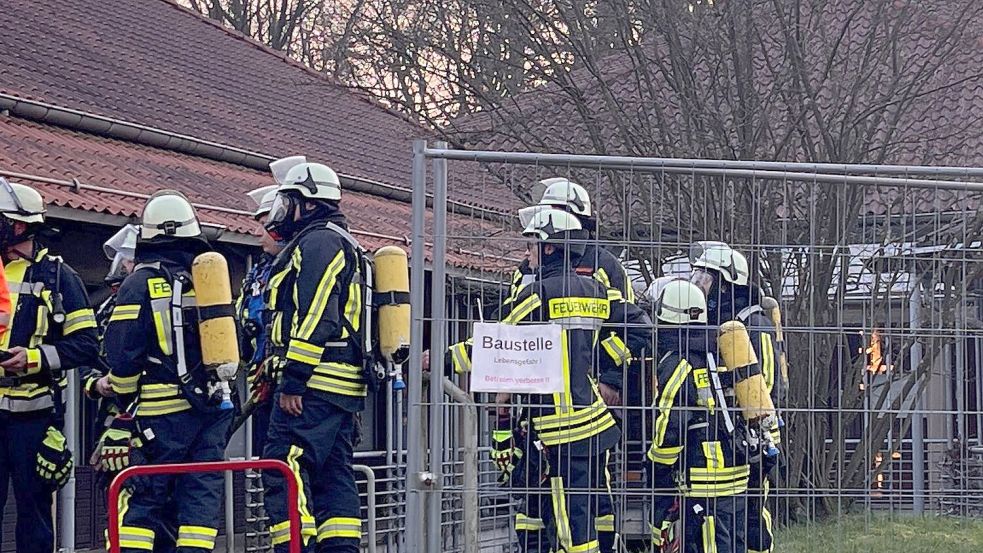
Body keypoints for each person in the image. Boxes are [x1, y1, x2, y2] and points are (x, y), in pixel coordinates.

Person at [449, 208, 650, 553]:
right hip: (591, 425)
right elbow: (642, 329)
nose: (527, 255)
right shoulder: (596, 291)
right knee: (583, 514)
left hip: (558, 430)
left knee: (566, 521)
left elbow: (491, 344)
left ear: (550, 247)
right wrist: (601, 361)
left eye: (531, 246)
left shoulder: (538, 295)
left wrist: (437, 359)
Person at [102, 190, 234, 553]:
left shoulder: (139, 282)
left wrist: (120, 398)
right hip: (212, 410)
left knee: (142, 500)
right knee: (199, 500)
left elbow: (123, 353)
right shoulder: (206, 278)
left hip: (160, 417)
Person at [261, 161, 367, 553]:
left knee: (284, 464)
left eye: (288, 202)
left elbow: (318, 314)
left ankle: (295, 546)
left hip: (314, 385)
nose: (282, 212)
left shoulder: (319, 242)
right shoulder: (335, 239)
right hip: (337, 387)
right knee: (332, 474)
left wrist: (294, 380)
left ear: (307, 205)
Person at [0, 179, 99, 553]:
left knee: (35, 515)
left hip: (36, 418)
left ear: (19, 225)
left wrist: (34, 359)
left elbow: (87, 345)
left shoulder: (59, 278)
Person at [646, 277, 752, 553]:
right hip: (737, 469)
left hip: (703, 476)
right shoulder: (720, 351)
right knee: (734, 543)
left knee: (707, 544)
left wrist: (657, 462)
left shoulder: (677, 361)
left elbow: (672, 420)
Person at [689, 241, 782, 553]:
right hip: (734, 434)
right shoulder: (719, 326)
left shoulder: (754, 324)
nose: (698, 285)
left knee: (754, 511)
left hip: (759, 432)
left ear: (726, 285)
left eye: (705, 278)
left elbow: (768, 382)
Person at [237, 184, 284, 454]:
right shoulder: (261, 269)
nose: (258, 233)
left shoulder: (292, 266)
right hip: (261, 378)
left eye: (265, 225)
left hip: (286, 385)